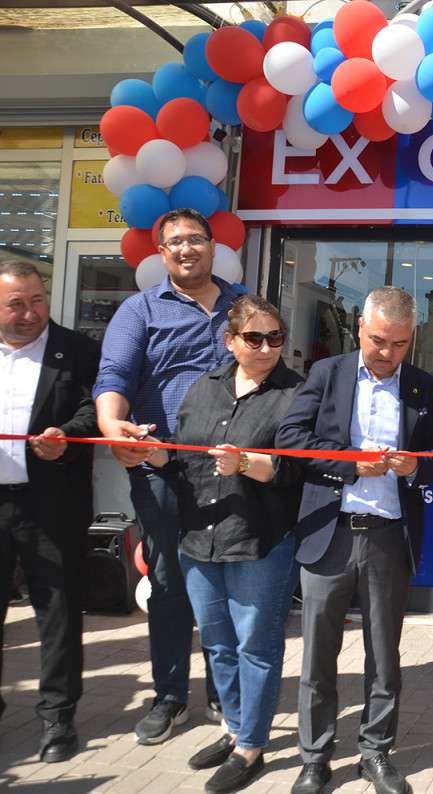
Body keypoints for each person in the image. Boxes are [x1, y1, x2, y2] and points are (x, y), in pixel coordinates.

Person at [276, 287, 433, 794]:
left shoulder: (421, 386)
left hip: (388, 538)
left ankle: (375, 752)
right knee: (318, 657)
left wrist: (417, 466)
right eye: (378, 341)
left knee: (385, 658)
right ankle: (315, 756)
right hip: (329, 534)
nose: (387, 353)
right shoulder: (327, 374)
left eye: (398, 344)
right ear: (359, 329)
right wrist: (349, 464)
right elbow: (291, 439)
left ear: (411, 337)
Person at [152, 296, 303, 792]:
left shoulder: (296, 393)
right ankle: (235, 729)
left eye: (275, 338)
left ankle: (251, 747)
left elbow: (301, 470)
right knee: (218, 644)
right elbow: (184, 460)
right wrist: (152, 456)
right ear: (230, 341)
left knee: (256, 646)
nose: (266, 348)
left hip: (260, 540)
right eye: (254, 338)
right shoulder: (204, 387)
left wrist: (247, 464)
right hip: (200, 539)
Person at [93, 207, 233, 743]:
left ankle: (224, 693)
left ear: (213, 246)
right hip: (160, 468)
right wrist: (111, 426)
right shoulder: (140, 310)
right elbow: (114, 375)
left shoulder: (242, 306)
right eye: (175, 242)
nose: (186, 249)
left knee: (224, 581)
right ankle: (170, 697)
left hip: (228, 467)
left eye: (195, 239)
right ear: (161, 252)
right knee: (170, 583)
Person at [0, 260, 99, 763]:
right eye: (15, 304)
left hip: (52, 504)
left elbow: (94, 410)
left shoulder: (78, 350)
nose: (30, 313)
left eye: (37, 300)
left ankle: (58, 717)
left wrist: (68, 437)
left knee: (58, 612)